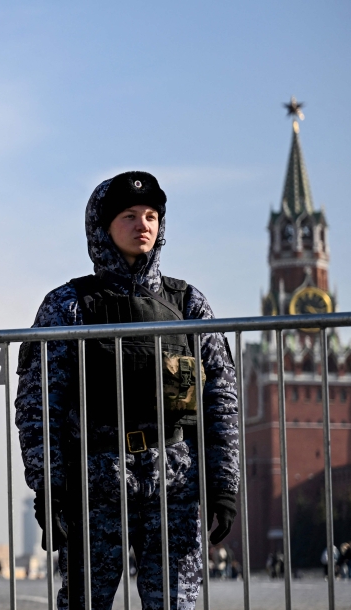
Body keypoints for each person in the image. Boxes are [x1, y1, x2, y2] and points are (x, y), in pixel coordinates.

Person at [14, 173, 239, 610]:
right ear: (103, 227)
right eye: (130, 216)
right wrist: (49, 488)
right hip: (95, 485)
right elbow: (38, 406)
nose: (143, 225)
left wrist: (223, 484)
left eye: (152, 216)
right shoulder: (69, 307)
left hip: (174, 484)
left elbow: (221, 399)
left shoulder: (188, 305)